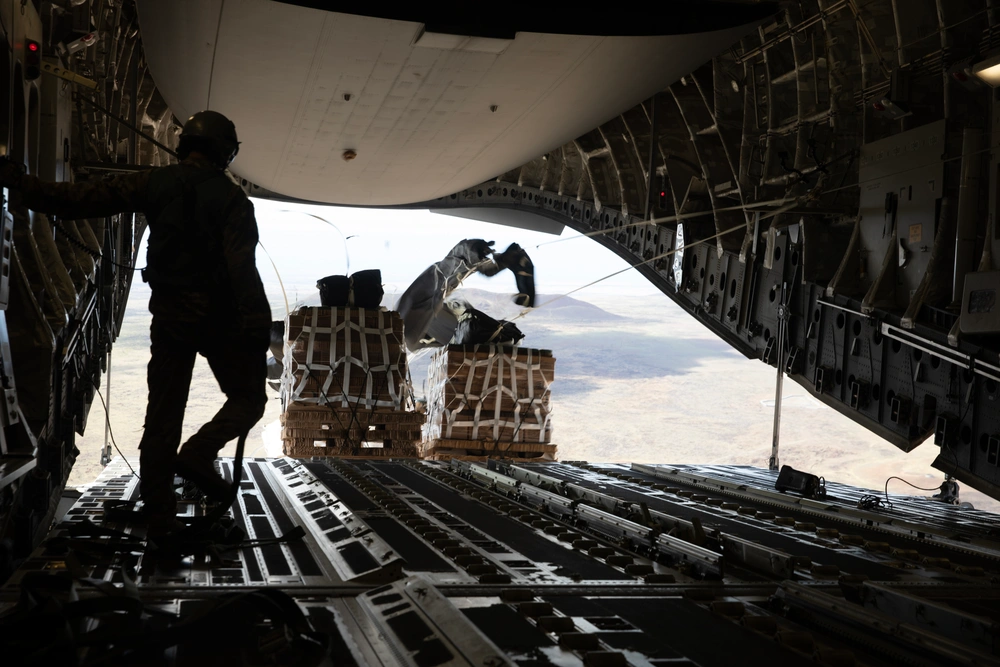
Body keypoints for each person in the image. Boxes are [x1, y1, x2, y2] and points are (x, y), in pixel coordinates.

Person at [0, 110, 272, 539]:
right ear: (224, 152)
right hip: (220, 321)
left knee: (162, 416)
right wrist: (258, 330)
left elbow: (74, 200)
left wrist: (21, 183)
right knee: (249, 398)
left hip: (170, 318)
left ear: (185, 145)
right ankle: (199, 452)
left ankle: (161, 516)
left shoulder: (152, 183)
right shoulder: (234, 201)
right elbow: (243, 271)